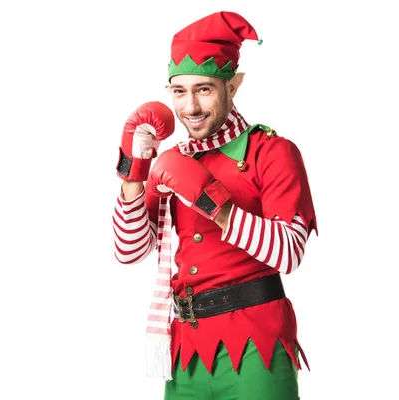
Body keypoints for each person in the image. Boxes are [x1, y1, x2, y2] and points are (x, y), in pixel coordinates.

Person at [112, 11, 318, 400]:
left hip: (256, 343)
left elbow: (290, 252)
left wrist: (213, 203)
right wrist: (134, 172)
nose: (190, 107)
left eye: (204, 89)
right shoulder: (173, 160)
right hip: (185, 351)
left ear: (233, 86)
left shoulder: (271, 152)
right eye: (179, 91)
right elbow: (129, 250)